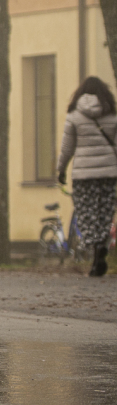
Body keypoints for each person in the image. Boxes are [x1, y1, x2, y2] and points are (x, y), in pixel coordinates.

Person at [56, 76, 117, 278]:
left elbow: (67, 147)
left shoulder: (74, 115)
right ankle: (102, 247)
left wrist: (61, 169)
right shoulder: (111, 114)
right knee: (105, 212)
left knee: (85, 212)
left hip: (83, 175)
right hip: (108, 174)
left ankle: (95, 246)